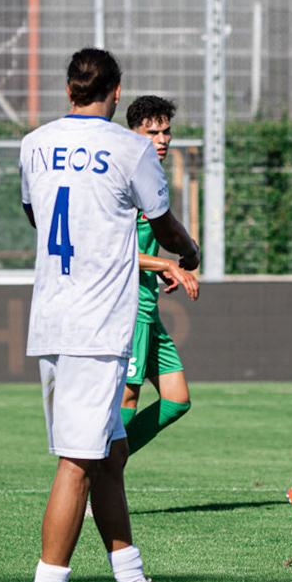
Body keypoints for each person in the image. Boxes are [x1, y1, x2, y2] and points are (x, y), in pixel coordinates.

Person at [17, 48, 202, 582]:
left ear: (69, 89)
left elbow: (37, 216)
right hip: (96, 326)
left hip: (52, 317)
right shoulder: (130, 148)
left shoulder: (34, 144)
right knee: (78, 463)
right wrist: (188, 251)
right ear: (117, 92)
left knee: (111, 456)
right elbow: (164, 223)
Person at [120, 94, 200, 454]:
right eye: (153, 133)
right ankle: (93, 475)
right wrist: (166, 264)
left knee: (176, 399)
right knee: (126, 398)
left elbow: (160, 228)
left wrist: (166, 261)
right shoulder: (126, 178)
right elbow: (115, 251)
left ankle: (109, 465)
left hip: (147, 305)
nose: (163, 139)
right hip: (129, 307)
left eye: (166, 131)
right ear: (134, 134)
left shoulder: (152, 176)